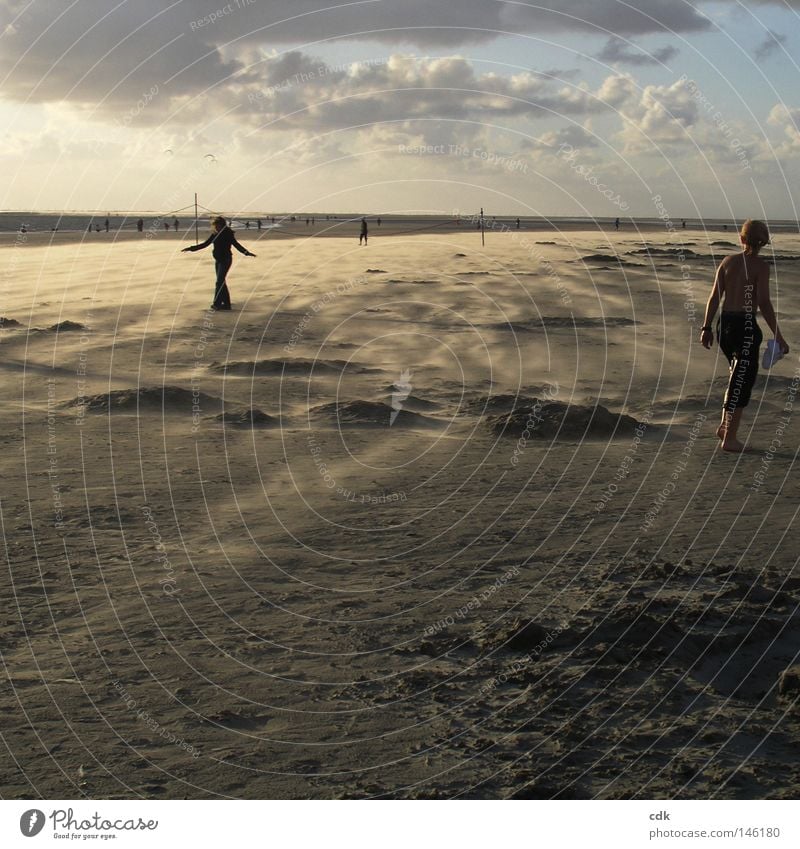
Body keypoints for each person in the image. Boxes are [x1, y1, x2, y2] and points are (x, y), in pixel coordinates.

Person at [701, 219, 789, 452]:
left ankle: (723, 425)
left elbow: (713, 298)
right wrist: (778, 335)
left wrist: (706, 327)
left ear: (741, 239)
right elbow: (763, 302)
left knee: (734, 372)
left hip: (724, 324)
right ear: (764, 242)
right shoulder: (761, 267)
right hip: (745, 326)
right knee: (743, 379)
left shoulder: (728, 262)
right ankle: (730, 438)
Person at [182, 215, 255, 311]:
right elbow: (205, 244)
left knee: (219, 282)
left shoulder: (228, 234)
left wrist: (246, 253)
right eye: (215, 226)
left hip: (226, 260)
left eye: (218, 226)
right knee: (221, 282)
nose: (216, 227)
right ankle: (227, 304)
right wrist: (191, 248)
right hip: (218, 260)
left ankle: (217, 304)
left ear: (222, 225)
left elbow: (236, 245)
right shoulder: (214, 234)